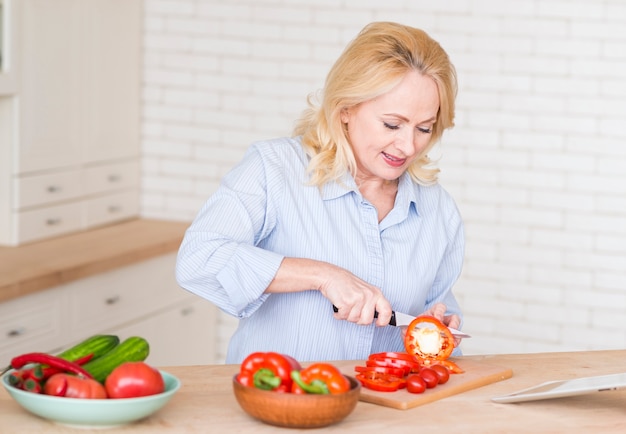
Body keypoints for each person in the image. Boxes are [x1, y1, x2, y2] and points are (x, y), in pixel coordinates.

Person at [176, 21, 465, 364]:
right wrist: (322, 275)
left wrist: (439, 328)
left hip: (384, 409)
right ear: (346, 109)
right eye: (392, 124)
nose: (407, 145)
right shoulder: (275, 169)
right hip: (275, 402)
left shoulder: (437, 208)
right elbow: (199, 258)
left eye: (424, 129)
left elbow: (439, 308)